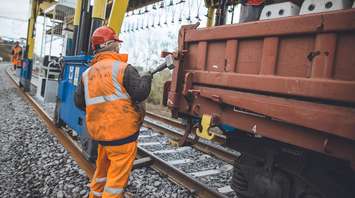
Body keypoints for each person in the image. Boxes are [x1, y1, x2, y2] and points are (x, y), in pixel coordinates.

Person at [74, 26, 152, 198]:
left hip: (102, 136)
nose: (119, 47)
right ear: (112, 45)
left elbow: (79, 102)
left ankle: (94, 196)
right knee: (115, 184)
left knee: (101, 174)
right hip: (123, 138)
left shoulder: (87, 74)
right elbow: (140, 93)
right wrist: (146, 78)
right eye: (117, 44)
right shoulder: (124, 68)